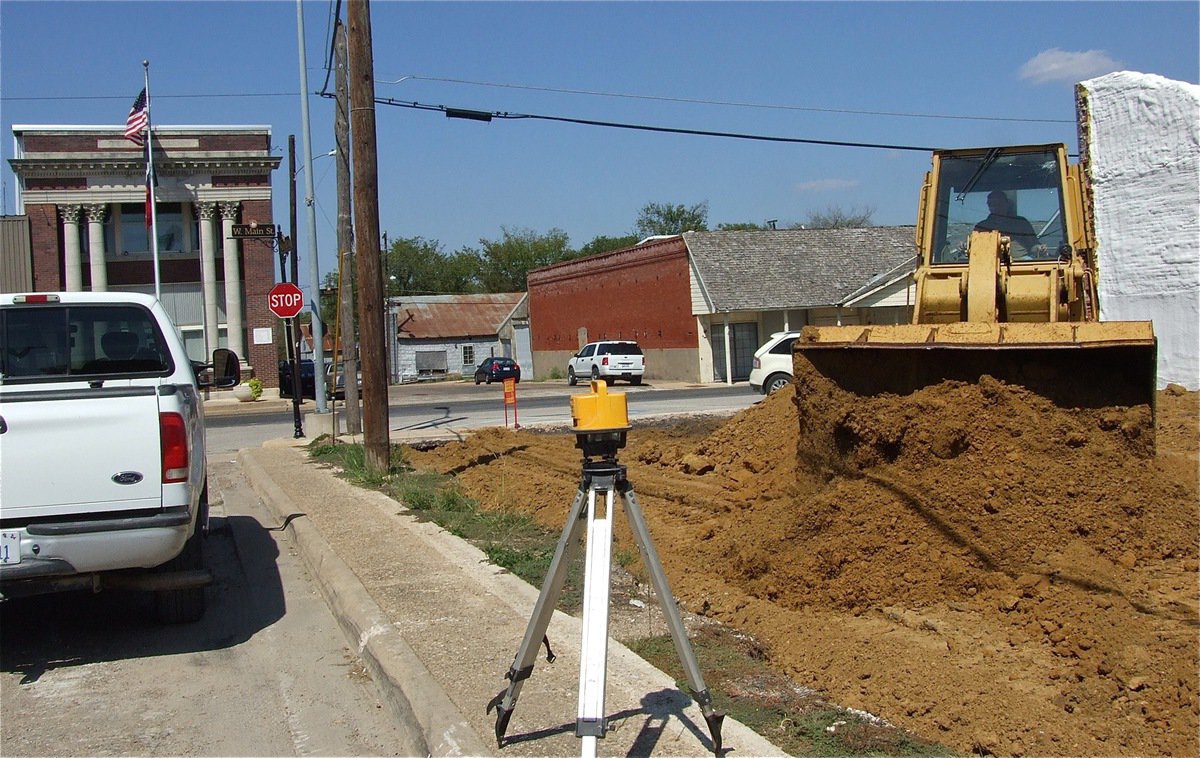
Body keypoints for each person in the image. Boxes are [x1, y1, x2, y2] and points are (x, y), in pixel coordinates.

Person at [975, 190, 1043, 257]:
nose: (995, 207)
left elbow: (1033, 245)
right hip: (989, 264)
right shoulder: (981, 227)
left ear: (1006, 204)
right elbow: (975, 251)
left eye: (999, 203)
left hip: (1021, 263)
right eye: (991, 204)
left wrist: (1039, 248)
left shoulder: (1021, 223)